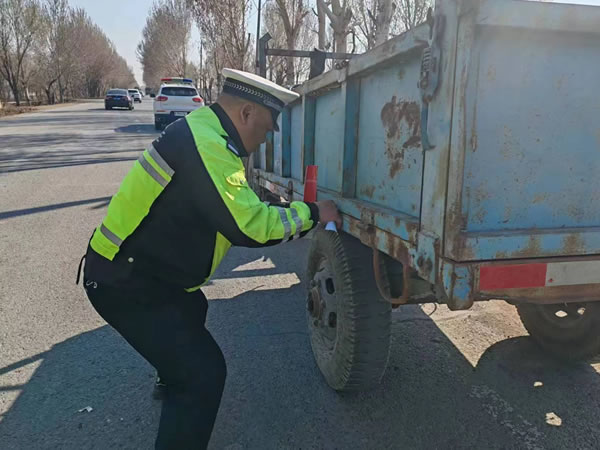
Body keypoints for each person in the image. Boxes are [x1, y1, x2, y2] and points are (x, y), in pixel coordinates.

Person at [77, 68, 342, 449]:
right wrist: (314, 214)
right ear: (246, 113)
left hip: (138, 271)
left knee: (191, 308)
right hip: (122, 281)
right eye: (266, 128)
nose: (266, 138)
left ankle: (170, 373)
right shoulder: (209, 146)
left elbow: (232, 206)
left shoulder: (204, 131)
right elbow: (249, 226)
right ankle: (180, 382)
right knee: (202, 375)